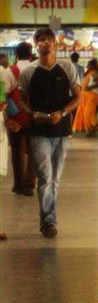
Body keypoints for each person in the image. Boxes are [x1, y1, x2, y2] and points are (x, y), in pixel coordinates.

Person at [17, 28, 82, 237]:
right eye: (41, 40)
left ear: (56, 44)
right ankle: (48, 221)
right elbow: (20, 100)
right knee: (45, 176)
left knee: (55, 179)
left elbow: (78, 97)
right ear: (36, 45)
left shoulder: (67, 68)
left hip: (61, 131)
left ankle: (48, 216)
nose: (45, 43)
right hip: (39, 132)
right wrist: (32, 114)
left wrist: (62, 113)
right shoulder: (29, 72)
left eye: (49, 40)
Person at [6, 42, 36, 197]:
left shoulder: (9, 71)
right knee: (33, 151)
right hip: (34, 116)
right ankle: (30, 184)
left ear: (16, 55)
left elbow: (2, 92)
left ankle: (18, 185)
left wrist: (5, 114)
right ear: (31, 55)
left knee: (17, 151)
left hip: (16, 115)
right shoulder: (37, 69)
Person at [73, 57, 98, 135]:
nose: (87, 66)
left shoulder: (95, 73)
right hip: (85, 96)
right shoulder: (90, 72)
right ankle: (90, 130)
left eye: (89, 65)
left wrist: (90, 87)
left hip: (92, 96)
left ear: (93, 66)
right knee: (84, 114)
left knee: (88, 114)